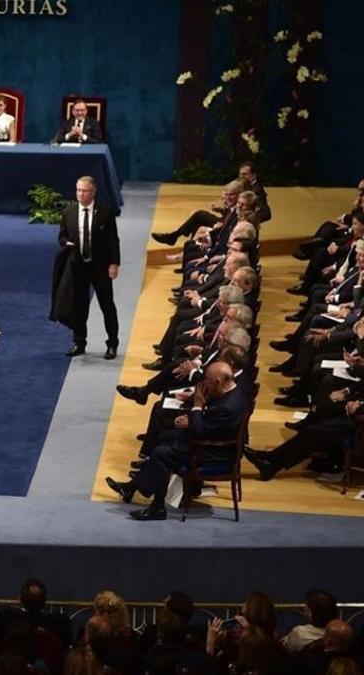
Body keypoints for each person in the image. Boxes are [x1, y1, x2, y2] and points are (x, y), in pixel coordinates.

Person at [106, 361, 248, 520]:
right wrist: (193, 417)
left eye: (206, 380)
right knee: (166, 435)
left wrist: (197, 407)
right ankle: (132, 487)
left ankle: (157, 508)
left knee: (161, 453)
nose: (203, 383)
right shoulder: (235, 393)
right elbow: (212, 422)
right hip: (212, 440)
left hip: (213, 453)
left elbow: (198, 430)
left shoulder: (227, 407)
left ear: (218, 382)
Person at [56, 176, 120, 359]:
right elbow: (61, 236)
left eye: (84, 191)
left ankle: (112, 344)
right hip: (78, 267)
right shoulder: (69, 212)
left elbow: (112, 240)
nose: (80, 194)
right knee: (78, 306)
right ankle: (79, 342)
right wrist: (65, 243)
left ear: (93, 192)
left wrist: (114, 263)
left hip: (100, 266)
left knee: (107, 305)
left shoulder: (105, 212)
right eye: (78, 190)